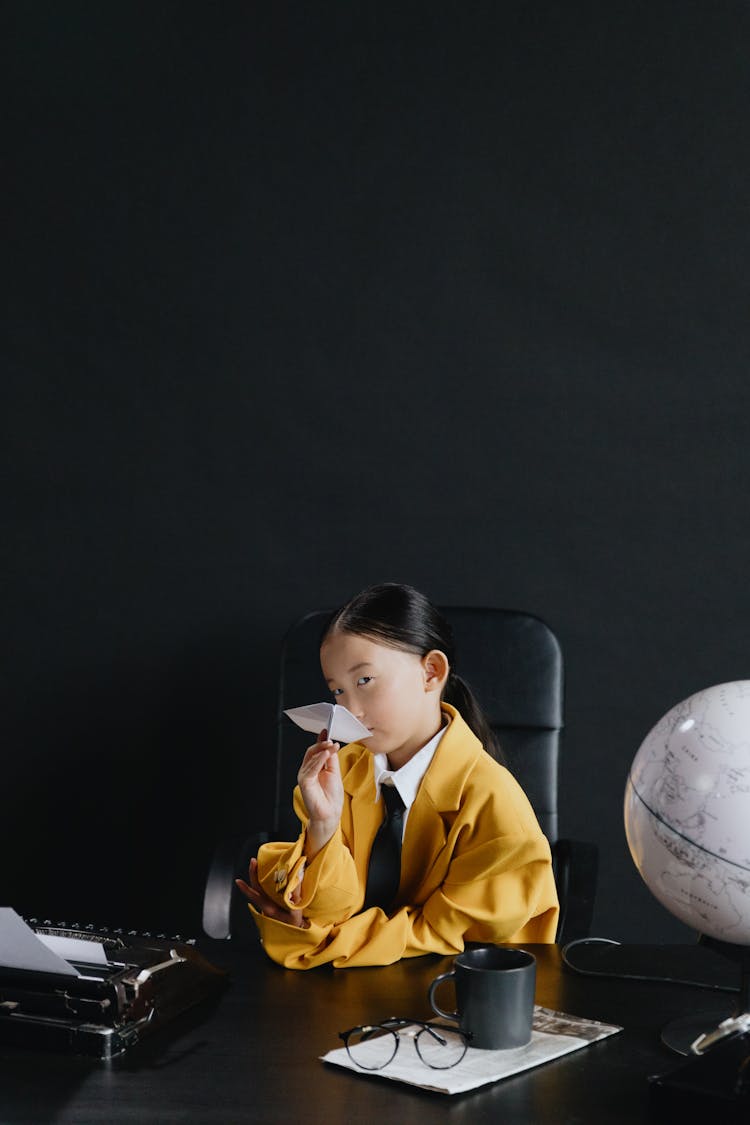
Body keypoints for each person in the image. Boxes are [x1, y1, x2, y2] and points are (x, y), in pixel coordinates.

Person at [236, 583, 559, 969]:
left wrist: (322, 941)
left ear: (431, 672)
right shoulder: (343, 772)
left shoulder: (494, 802)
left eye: (364, 681)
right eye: (337, 690)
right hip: (355, 988)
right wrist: (322, 828)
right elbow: (325, 911)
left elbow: (448, 938)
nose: (349, 710)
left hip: (457, 993)